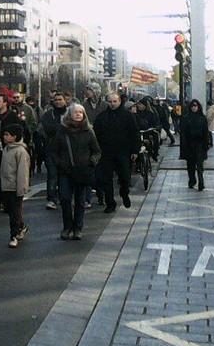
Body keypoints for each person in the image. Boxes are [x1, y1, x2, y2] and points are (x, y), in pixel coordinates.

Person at [48, 104, 101, 240]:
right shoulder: (62, 131)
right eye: (75, 112)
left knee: (80, 200)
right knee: (65, 199)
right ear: (69, 114)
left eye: (80, 112)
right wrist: (59, 163)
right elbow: (53, 150)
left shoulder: (88, 131)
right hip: (65, 171)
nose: (78, 114)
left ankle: (78, 228)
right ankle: (67, 226)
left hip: (83, 171)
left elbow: (96, 151)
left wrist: (91, 162)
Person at [93, 93, 140, 214]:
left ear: (119, 102)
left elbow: (134, 133)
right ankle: (110, 203)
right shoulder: (102, 117)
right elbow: (95, 135)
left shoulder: (127, 116)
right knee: (106, 179)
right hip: (106, 153)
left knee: (124, 177)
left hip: (123, 152)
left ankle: (124, 193)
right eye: (110, 102)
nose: (112, 104)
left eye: (115, 101)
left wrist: (135, 150)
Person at [0, 123, 30, 248]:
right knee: (9, 209)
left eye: (7, 135)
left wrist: (21, 188)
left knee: (14, 213)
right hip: (6, 186)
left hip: (15, 187)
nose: (4, 137)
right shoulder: (6, 149)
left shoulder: (20, 151)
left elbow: (23, 172)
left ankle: (13, 235)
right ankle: (22, 226)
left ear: (15, 136)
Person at [39, 92, 68, 210]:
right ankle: (51, 199)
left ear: (65, 101)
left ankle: (64, 197)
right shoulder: (48, 115)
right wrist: (62, 127)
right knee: (52, 174)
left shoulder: (70, 113)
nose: (58, 102)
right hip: (52, 149)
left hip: (67, 149)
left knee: (66, 175)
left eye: (60, 99)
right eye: (56, 100)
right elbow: (46, 128)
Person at [180, 99, 210, 190]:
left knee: (200, 165)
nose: (194, 108)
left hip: (200, 144)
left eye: (195, 106)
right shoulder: (186, 118)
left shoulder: (202, 118)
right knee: (191, 165)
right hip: (190, 145)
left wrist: (206, 143)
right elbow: (183, 132)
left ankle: (201, 183)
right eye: (192, 106)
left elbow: (205, 132)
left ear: (198, 107)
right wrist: (184, 144)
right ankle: (192, 181)